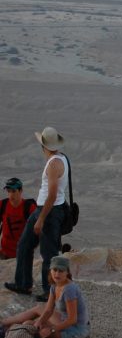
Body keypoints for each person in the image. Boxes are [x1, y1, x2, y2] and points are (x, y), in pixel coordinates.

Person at [6, 127, 69, 301]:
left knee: (48, 253)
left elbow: (53, 194)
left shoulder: (54, 164)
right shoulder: (60, 158)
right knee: (25, 244)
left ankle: (50, 292)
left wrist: (41, 219)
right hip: (43, 209)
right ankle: (23, 284)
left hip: (49, 212)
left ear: (43, 146)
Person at [1, 255, 89, 338]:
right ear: (50, 270)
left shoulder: (69, 289)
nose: (57, 274)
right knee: (31, 322)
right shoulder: (55, 285)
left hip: (77, 328)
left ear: (67, 272)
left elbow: (72, 320)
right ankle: (2, 324)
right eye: (55, 270)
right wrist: (40, 321)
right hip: (63, 319)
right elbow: (48, 310)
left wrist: (52, 329)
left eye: (61, 271)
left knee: (37, 330)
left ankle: (6, 332)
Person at [1, 178, 37, 260]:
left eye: (13, 191)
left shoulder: (29, 207)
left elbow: (40, 228)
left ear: (20, 191)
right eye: (8, 191)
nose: (10, 195)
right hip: (4, 253)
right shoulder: (3, 204)